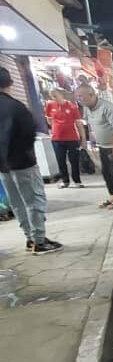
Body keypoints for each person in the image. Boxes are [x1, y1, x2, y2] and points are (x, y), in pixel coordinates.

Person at [0, 65, 63, 253]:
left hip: (3, 167)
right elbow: (29, 133)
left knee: (17, 202)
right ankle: (39, 240)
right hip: (23, 163)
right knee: (33, 200)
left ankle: (30, 239)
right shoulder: (16, 107)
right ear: (10, 83)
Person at [75, 83, 113, 208]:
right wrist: (91, 144)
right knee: (106, 172)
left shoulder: (107, 107)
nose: (79, 100)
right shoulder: (87, 108)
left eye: (81, 96)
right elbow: (90, 125)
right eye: (77, 97)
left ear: (91, 95)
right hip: (103, 146)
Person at [44, 87, 86, 187]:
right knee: (60, 160)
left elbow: (79, 124)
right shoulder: (50, 105)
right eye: (52, 96)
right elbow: (49, 120)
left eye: (55, 96)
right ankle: (65, 181)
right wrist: (56, 128)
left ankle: (77, 181)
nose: (54, 98)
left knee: (74, 160)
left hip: (72, 138)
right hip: (57, 139)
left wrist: (83, 138)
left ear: (61, 95)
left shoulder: (72, 106)